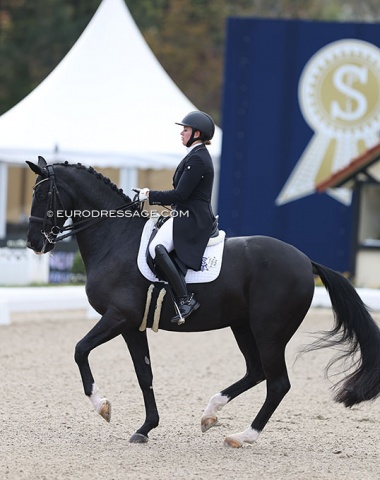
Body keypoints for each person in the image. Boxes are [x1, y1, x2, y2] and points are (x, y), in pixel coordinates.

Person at [135, 111, 216, 323]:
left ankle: (185, 299)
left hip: (193, 217)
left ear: (197, 133)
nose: (181, 133)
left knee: (156, 248)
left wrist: (149, 194)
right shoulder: (194, 155)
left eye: (186, 130)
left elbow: (181, 194)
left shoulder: (198, 159)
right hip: (185, 212)